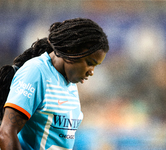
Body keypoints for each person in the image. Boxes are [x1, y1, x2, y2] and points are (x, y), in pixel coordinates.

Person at [0, 18, 109, 150]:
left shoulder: (70, 83)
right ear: (71, 50)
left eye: (96, 66)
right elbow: (6, 133)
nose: (91, 72)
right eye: (90, 63)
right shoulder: (36, 72)